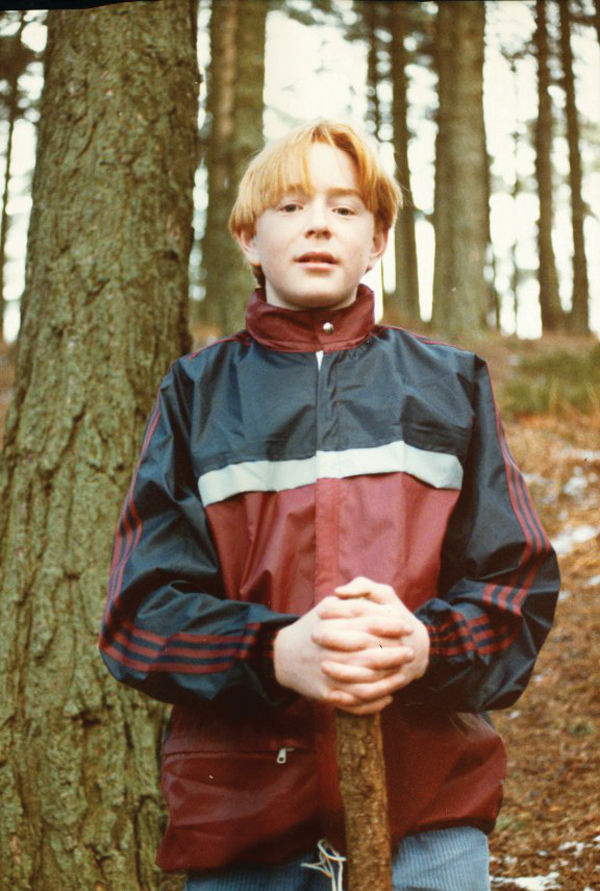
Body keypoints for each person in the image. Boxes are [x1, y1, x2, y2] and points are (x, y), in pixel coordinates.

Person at [100, 120, 560, 891]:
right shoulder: (196, 395)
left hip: (430, 823)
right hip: (244, 829)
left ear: (377, 239)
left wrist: (425, 647)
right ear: (249, 238)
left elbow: (516, 590)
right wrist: (277, 653)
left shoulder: (451, 384)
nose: (319, 222)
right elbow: (140, 618)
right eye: (290, 205)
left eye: (346, 208)